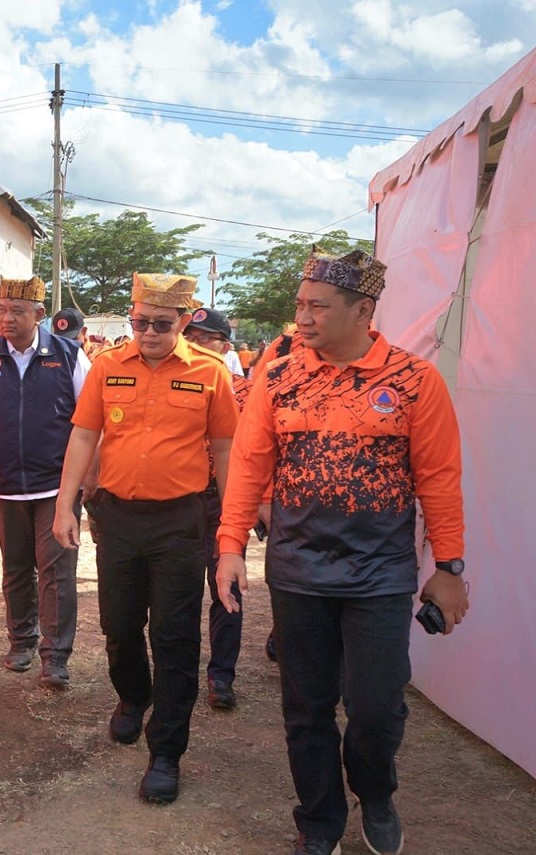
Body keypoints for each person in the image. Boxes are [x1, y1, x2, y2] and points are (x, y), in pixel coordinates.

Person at [215, 249, 468, 855]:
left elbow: (439, 477)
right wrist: (229, 548)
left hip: (380, 572)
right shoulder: (278, 378)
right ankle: (319, 820)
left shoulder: (412, 380)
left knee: (377, 707)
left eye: (317, 306)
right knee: (306, 707)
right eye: (300, 304)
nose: (301, 317)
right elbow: (249, 468)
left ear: (363, 310)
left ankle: (375, 793)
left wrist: (449, 567)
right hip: (298, 568)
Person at [53, 273, 240, 805]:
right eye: (140, 323)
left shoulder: (208, 373)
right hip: (117, 517)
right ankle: (134, 696)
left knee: (176, 635)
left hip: (180, 521)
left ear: (182, 322)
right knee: (118, 625)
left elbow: (226, 449)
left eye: (161, 324)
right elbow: (85, 434)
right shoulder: (109, 366)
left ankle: (166, 751)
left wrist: (232, 523)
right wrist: (65, 503)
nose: (149, 333)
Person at [0, 276, 89, 688]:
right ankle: (21, 641)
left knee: (57, 570)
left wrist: (84, 482)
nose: (6, 318)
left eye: (17, 311)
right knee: (16, 568)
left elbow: (89, 422)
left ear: (39, 315)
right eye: (2, 310)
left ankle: (55, 655)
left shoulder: (70, 356)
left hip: (55, 487)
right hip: (4, 484)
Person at [180, 307, 249, 710]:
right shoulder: (176, 382)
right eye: (190, 335)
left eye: (204, 338)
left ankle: (222, 674)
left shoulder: (247, 392)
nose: (194, 344)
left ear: (225, 346)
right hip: (183, 500)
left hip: (226, 500)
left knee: (227, 588)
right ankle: (181, 668)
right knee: (180, 591)